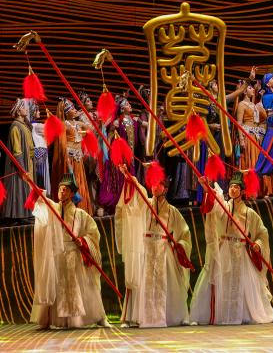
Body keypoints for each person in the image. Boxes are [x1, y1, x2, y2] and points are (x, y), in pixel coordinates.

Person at [189, 171, 273, 325]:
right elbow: (213, 203)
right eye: (231, 187)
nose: (233, 189)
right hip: (224, 249)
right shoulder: (224, 207)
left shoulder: (250, 213)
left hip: (241, 251)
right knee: (222, 281)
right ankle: (223, 314)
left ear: (242, 191)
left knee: (241, 284)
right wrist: (206, 187)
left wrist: (258, 244)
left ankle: (240, 314)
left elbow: (262, 232)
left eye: (236, 187)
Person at [115, 163, 192, 327]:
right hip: (146, 249)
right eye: (153, 184)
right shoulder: (145, 203)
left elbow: (184, 234)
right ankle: (134, 317)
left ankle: (172, 316)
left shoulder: (173, 211)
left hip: (164, 250)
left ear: (165, 188)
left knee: (168, 283)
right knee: (140, 280)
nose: (155, 187)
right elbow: (136, 195)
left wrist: (179, 245)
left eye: (159, 184)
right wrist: (129, 177)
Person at [28, 173, 108, 329]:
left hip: (74, 255)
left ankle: (95, 317)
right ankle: (48, 320)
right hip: (57, 255)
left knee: (82, 287)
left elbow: (93, 234)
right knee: (55, 286)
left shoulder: (81, 214)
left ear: (72, 193)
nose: (61, 192)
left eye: (65, 190)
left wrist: (82, 241)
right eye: (60, 189)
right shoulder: (53, 209)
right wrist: (28, 181)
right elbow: (40, 198)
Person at [2, 98, 35, 223]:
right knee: (19, 187)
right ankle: (19, 215)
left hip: (29, 161)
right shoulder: (15, 127)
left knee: (27, 187)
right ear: (18, 111)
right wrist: (21, 167)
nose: (26, 109)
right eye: (23, 107)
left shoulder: (24, 125)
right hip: (21, 163)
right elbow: (17, 149)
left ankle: (27, 213)